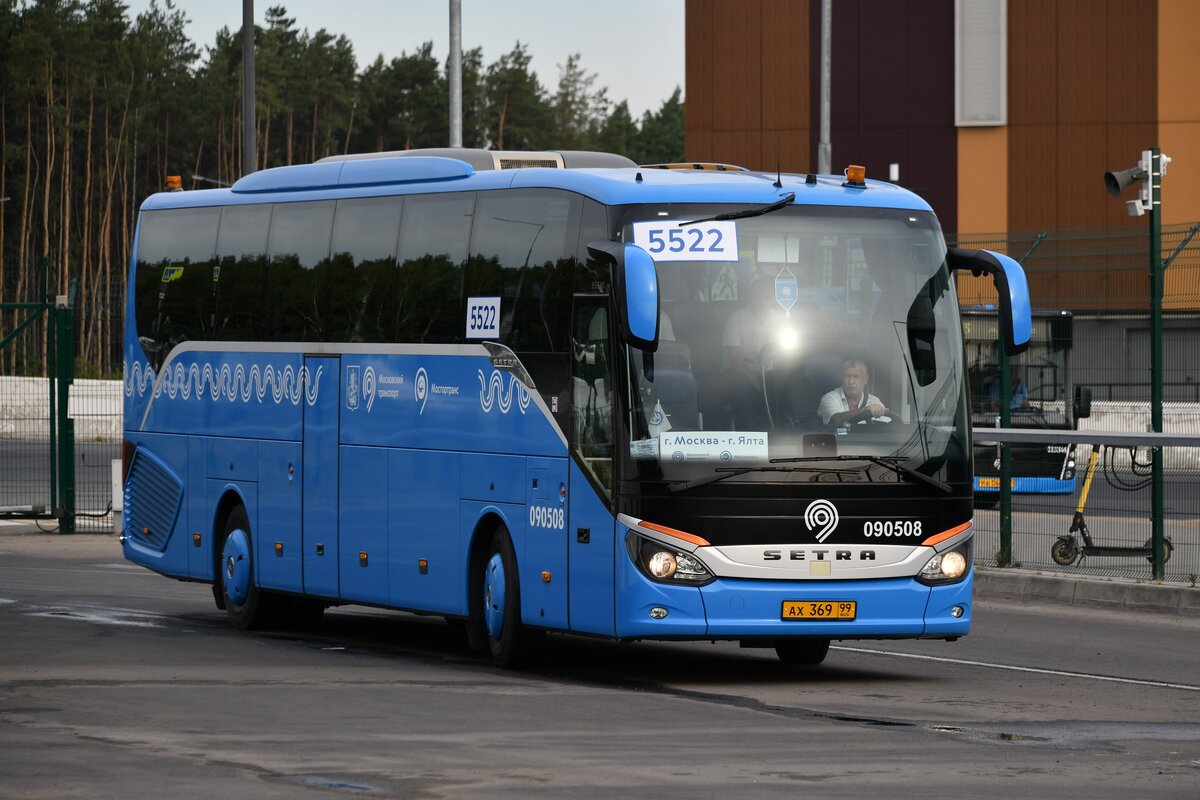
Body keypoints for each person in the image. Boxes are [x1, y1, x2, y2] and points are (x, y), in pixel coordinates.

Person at [721, 276, 786, 429]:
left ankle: (784, 433)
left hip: (769, 373)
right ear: (752, 295)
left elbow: (786, 353)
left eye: (769, 294)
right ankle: (747, 437)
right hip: (739, 373)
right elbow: (738, 364)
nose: (766, 297)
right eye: (762, 293)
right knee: (741, 387)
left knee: (787, 383)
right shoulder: (735, 320)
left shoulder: (781, 319)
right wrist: (762, 388)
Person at [817, 358, 888, 425]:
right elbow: (836, 419)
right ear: (841, 378)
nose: (851, 381)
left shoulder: (874, 402)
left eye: (856, 377)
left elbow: (886, 427)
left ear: (866, 379)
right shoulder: (829, 398)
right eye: (847, 376)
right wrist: (864, 410)